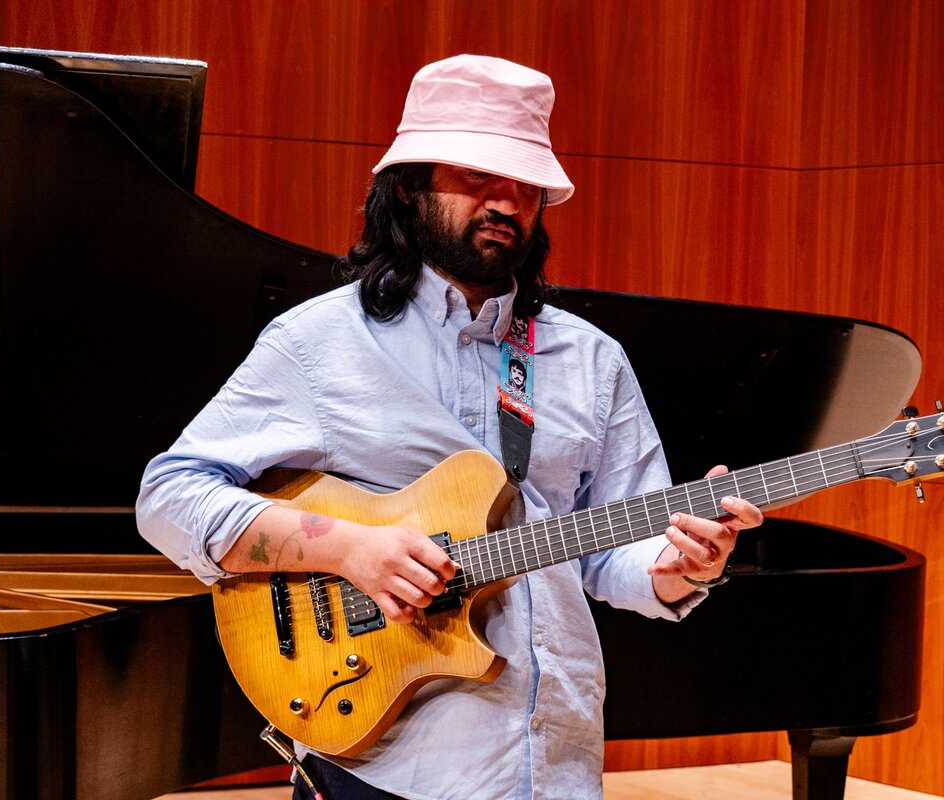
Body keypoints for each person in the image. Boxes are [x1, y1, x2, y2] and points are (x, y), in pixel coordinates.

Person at [137, 54, 762, 800]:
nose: (507, 202)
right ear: (407, 187)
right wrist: (353, 549)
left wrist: (681, 566)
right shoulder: (319, 343)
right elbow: (169, 496)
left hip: (552, 762)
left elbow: (614, 557)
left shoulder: (592, 360)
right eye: (478, 178)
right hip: (388, 764)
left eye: (525, 186)